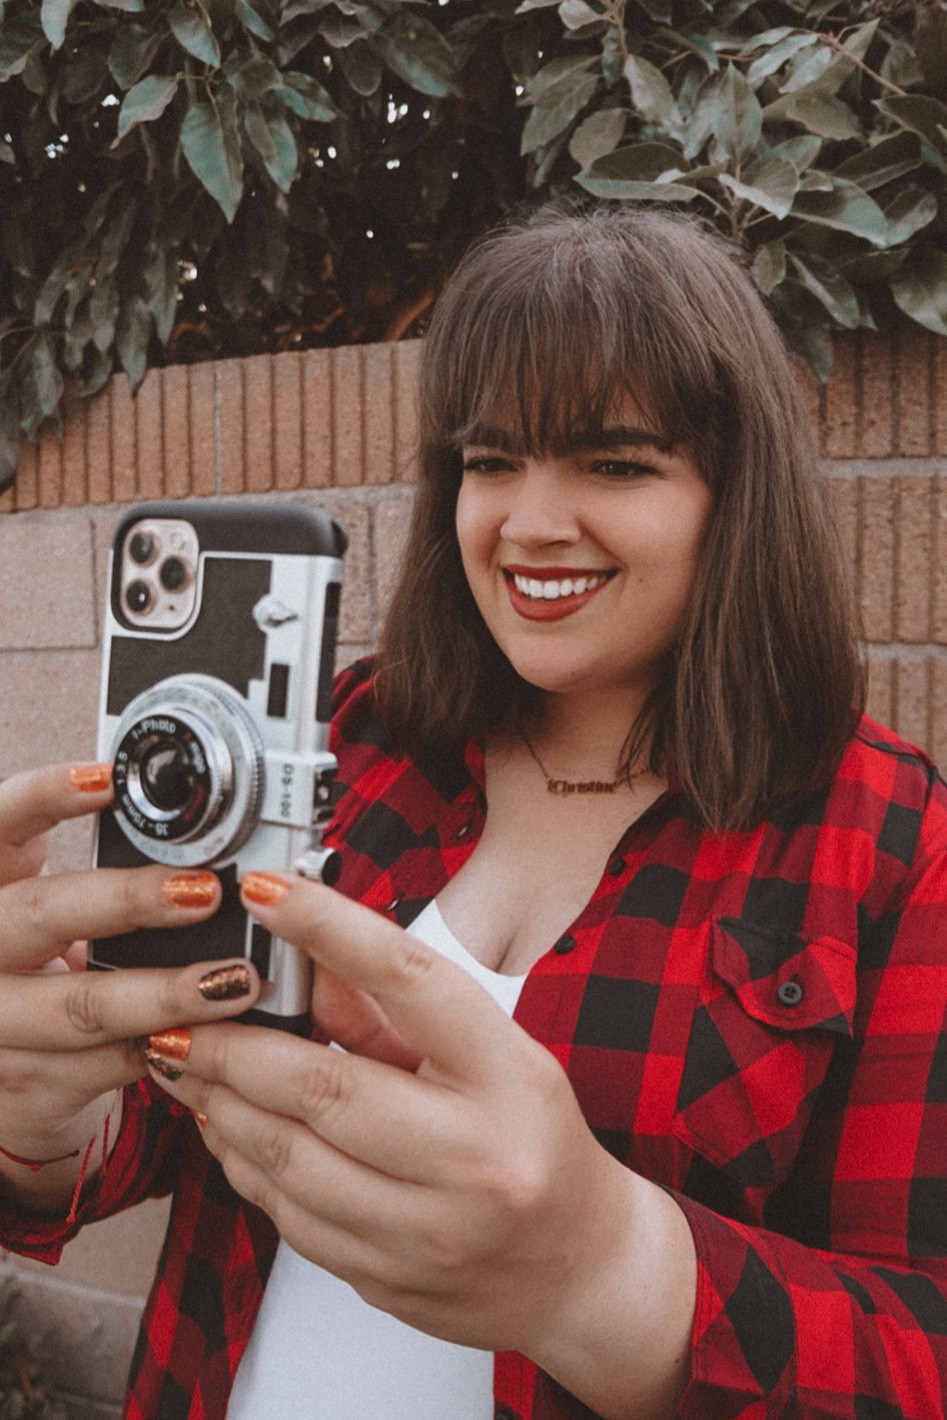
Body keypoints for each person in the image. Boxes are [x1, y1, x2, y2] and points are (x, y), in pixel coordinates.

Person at [1, 202, 946, 1420]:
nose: (528, 522)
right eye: (490, 460)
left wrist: (611, 1270)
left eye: (614, 461)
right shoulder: (349, 742)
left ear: (734, 493)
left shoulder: (891, 846)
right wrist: (43, 1113)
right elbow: (170, 1126)